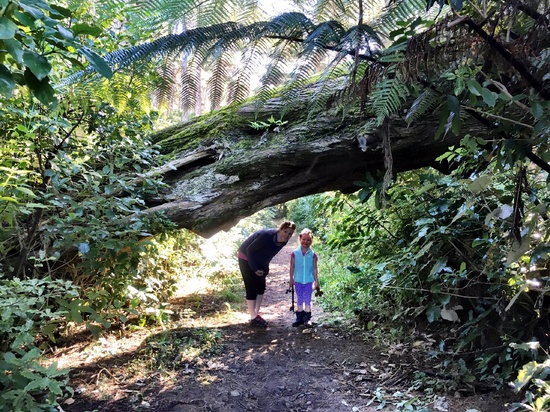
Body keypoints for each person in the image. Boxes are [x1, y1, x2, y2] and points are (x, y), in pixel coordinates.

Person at [238, 220, 296, 327]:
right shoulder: (266, 236)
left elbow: (270, 254)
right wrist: (254, 269)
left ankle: (256, 314)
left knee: (261, 287)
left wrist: (265, 267)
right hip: (246, 258)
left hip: (260, 261)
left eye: (290, 234)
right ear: (280, 229)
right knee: (251, 287)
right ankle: (253, 317)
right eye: (285, 231)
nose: (287, 235)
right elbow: (249, 250)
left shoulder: (284, 241)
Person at [289, 228, 319, 327]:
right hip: (298, 280)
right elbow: (292, 267)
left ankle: (307, 318)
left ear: (311, 241)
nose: (306, 242)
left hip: (309, 281)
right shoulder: (294, 253)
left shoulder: (313, 254)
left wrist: (316, 281)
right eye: (304, 239)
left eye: (308, 240)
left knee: (307, 298)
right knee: (300, 298)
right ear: (300, 239)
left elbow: (315, 269)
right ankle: (299, 317)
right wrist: (291, 279)